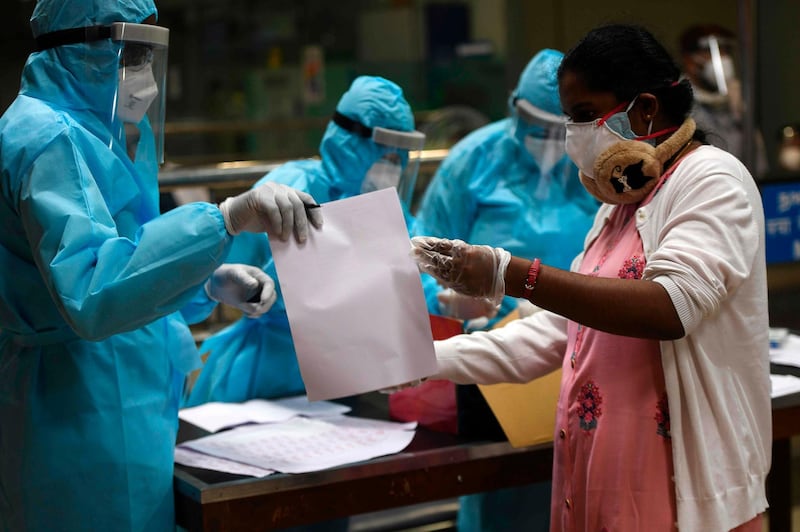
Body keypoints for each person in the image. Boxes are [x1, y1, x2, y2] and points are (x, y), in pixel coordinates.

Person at [410, 23, 769, 532]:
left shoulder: (712, 180)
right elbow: (560, 333)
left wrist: (511, 274)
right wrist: (422, 359)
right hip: (599, 477)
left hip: (678, 493)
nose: (573, 135)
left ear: (645, 109)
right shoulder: (619, 208)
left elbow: (671, 307)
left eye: (583, 116)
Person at [0, 1, 322, 530]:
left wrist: (208, 280)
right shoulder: (46, 138)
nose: (144, 79)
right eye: (130, 56)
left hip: (125, 396)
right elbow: (93, 290)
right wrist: (226, 219)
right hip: (72, 410)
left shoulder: (106, 128)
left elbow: (131, 251)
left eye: (147, 56)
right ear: (83, 51)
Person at [410, 49, 597, 532]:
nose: (549, 143)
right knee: (500, 498)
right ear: (513, 106)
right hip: (492, 358)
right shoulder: (474, 161)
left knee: (583, 489)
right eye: (534, 126)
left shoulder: (597, 170)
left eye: (562, 129)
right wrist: (453, 303)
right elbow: (420, 259)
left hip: (585, 355)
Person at [185, 75, 425, 406]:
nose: (391, 168)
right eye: (384, 154)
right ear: (352, 142)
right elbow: (208, 272)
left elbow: (407, 276)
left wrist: (444, 299)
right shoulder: (289, 187)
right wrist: (219, 284)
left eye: (399, 158)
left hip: (352, 374)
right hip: (267, 376)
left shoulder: (387, 205)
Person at [678, 23, 769, 178]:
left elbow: (759, 165)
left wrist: (741, 111)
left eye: (726, 51)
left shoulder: (736, 98)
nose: (723, 59)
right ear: (689, 61)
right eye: (711, 52)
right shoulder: (679, 103)